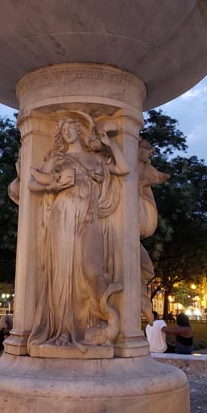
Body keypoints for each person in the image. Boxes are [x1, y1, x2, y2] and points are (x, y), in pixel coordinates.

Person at [27, 112, 129, 350]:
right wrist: (54, 184)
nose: (67, 132)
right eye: (63, 130)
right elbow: (33, 184)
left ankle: (95, 320)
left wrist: (110, 143)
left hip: (88, 218)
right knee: (64, 273)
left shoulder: (96, 158)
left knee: (92, 271)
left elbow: (123, 168)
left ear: (80, 130)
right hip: (63, 217)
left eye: (70, 128)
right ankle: (64, 329)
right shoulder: (58, 158)